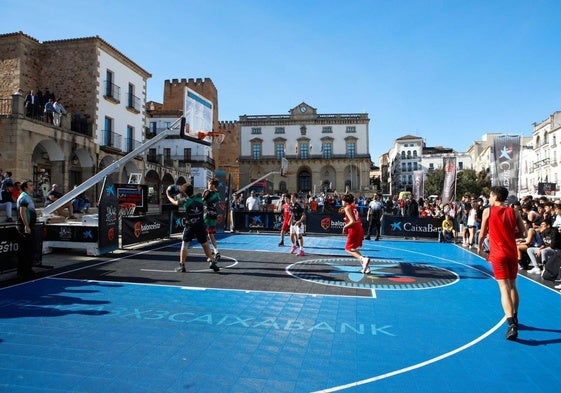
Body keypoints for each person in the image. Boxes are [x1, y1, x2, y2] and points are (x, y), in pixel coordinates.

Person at [477, 186, 526, 341]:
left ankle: (511, 323)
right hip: (512, 252)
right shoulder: (514, 211)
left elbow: (483, 232)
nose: (489, 199)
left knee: (503, 288)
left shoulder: (488, 211)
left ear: (494, 196)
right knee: (512, 286)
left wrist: (479, 246)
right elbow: (523, 232)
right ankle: (515, 317)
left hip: (498, 254)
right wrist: (509, 233)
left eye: (490, 196)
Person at [166, 183, 219, 273]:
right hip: (200, 224)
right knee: (205, 244)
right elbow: (192, 197)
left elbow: (174, 202)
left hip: (190, 225)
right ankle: (211, 261)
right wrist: (183, 191)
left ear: (184, 192)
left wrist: (168, 195)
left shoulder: (185, 202)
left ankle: (182, 265)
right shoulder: (199, 198)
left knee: (185, 245)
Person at [342, 193, 371, 274]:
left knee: (348, 249)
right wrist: (346, 218)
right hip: (359, 228)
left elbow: (352, 221)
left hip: (354, 229)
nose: (342, 202)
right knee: (354, 249)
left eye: (343, 200)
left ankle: (363, 259)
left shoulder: (347, 208)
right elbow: (354, 218)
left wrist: (345, 227)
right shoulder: (353, 207)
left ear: (346, 202)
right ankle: (366, 267)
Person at [16, 180, 38, 278]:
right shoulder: (24, 197)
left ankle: (26, 269)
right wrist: (26, 225)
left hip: (29, 225)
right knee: (27, 249)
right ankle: (24, 271)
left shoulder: (27, 197)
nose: (32, 187)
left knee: (29, 248)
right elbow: (22, 212)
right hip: (25, 226)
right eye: (30, 185)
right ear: (25, 187)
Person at [202, 178, 221, 260]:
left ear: (213, 185)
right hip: (213, 214)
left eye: (210, 184)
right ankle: (215, 250)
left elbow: (202, 201)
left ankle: (212, 253)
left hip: (207, 215)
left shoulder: (208, 193)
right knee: (211, 234)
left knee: (205, 234)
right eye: (208, 183)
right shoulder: (217, 193)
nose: (208, 185)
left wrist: (204, 193)